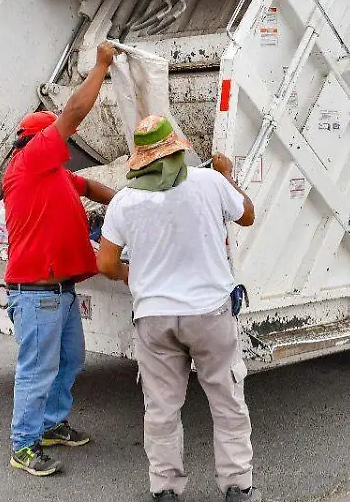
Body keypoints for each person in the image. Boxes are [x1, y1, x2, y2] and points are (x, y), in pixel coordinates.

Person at [96, 115, 261, 502]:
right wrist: (227, 174)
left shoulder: (124, 200)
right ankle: (236, 486)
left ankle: (166, 489)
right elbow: (248, 214)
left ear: (140, 158)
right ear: (176, 150)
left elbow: (105, 263)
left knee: (162, 409)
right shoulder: (209, 182)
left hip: (154, 319)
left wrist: (134, 277)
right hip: (210, 314)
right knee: (227, 401)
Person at [3, 41, 118, 477]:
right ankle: (24, 444)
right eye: (52, 137)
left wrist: (125, 201)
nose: (62, 146)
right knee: (37, 368)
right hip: (37, 294)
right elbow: (72, 115)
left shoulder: (54, 176)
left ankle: (50, 425)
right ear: (37, 141)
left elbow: (88, 187)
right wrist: (101, 67)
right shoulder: (29, 162)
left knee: (70, 360)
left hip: (60, 291)